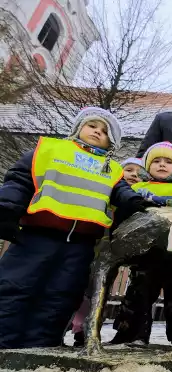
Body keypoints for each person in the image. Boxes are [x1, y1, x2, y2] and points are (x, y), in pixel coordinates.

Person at [0, 107, 147, 349]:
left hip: (81, 245)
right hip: (37, 235)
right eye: (92, 126)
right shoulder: (50, 149)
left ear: (112, 142)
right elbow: (20, 180)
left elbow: (121, 192)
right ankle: (4, 342)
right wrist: (6, 208)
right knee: (15, 287)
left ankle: (41, 347)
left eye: (104, 132)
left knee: (61, 296)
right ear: (78, 127)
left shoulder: (112, 169)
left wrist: (133, 201)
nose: (97, 132)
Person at [112, 142, 172, 346]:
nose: (162, 165)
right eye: (156, 161)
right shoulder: (136, 188)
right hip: (145, 252)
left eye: (169, 161)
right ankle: (133, 334)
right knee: (139, 292)